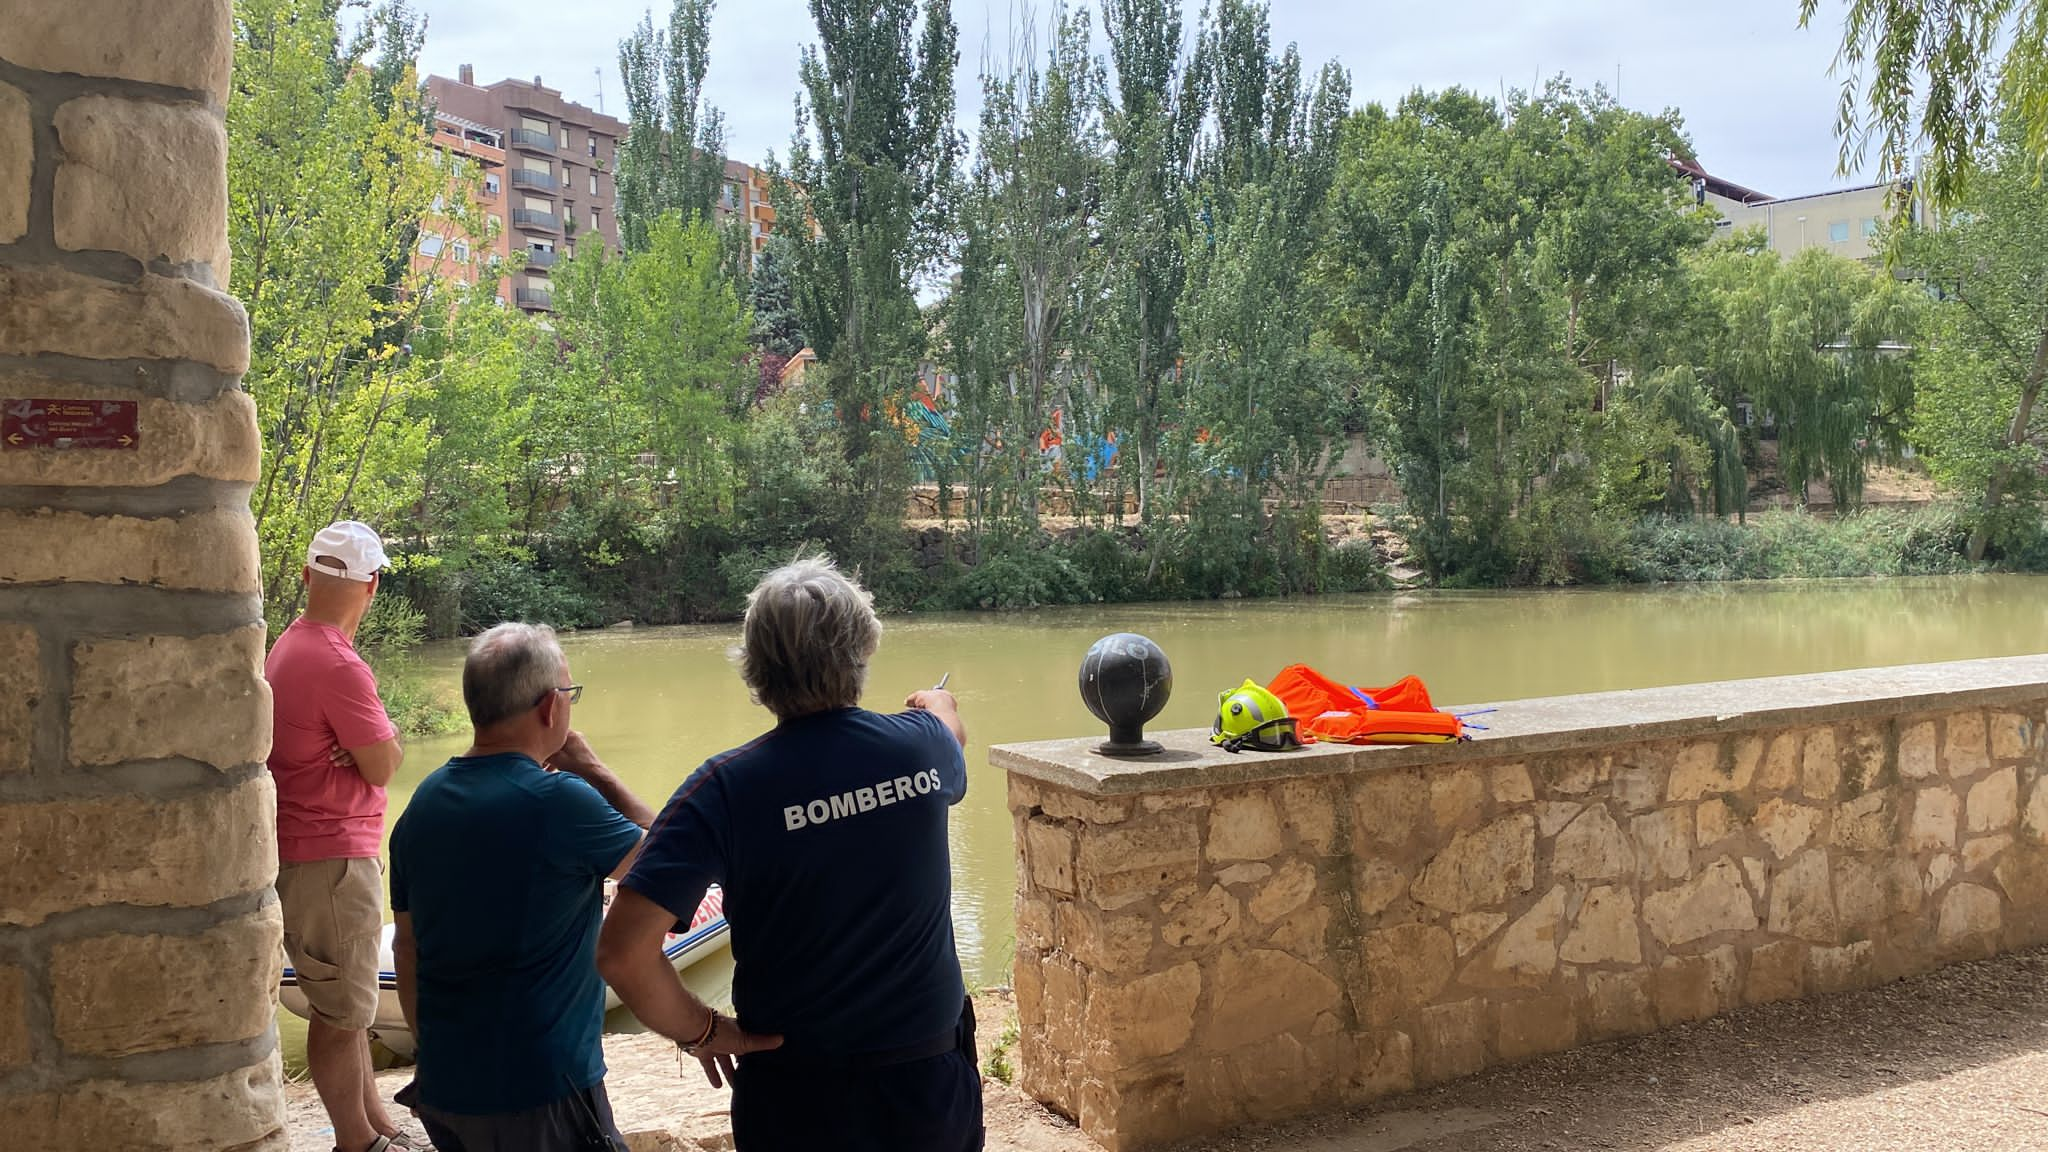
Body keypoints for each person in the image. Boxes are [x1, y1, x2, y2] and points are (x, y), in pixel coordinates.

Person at [598, 557, 981, 1152]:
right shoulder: (921, 748)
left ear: (756, 671)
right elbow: (950, 730)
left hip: (796, 1098)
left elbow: (623, 954)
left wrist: (702, 1032)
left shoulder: (721, 789)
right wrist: (937, 703)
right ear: (863, 649)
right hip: (925, 1085)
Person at [390, 623, 655, 1152]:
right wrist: (598, 773)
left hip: (448, 1089)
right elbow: (671, 867)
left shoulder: (422, 805)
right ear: (549, 707)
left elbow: (407, 948)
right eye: (569, 694)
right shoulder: (560, 802)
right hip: (543, 1089)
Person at [266, 521, 412, 1152]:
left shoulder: (289, 646)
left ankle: (375, 1121)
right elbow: (384, 763)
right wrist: (375, 746)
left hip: (313, 853)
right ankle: (357, 1141)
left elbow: (369, 756)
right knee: (340, 1014)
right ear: (373, 584)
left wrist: (362, 749)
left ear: (305, 576)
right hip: (330, 858)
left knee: (352, 1004)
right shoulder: (337, 664)